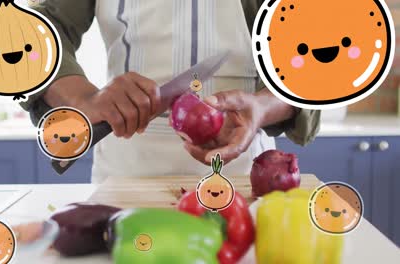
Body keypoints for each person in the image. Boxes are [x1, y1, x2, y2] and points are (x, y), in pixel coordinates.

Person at [21, 0, 320, 183]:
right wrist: (83, 98)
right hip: (125, 177)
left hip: (241, 177)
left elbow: (314, 62)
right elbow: (34, 33)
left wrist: (262, 106)